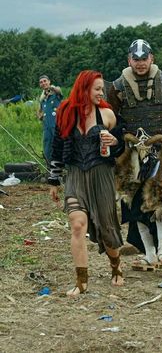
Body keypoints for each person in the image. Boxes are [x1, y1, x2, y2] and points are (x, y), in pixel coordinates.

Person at [107, 39, 162, 270]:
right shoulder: (117, 86)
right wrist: (110, 147)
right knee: (136, 205)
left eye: (144, 59)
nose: (140, 63)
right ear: (129, 60)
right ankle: (149, 254)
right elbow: (109, 119)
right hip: (131, 153)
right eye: (136, 59)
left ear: (151, 58)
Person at [48, 70, 125, 298]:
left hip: (101, 176)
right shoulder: (65, 111)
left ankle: (116, 265)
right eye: (98, 89)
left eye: (102, 89)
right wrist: (54, 180)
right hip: (75, 176)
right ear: (84, 88)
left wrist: (115, 141)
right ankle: (81, 282)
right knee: (77, 224)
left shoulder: (106, 114)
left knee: (107, 230)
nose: (101, 93)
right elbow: (57, 148)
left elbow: (120, 145)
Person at [37, 75, 63, 165]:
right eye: (41, 82)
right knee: (47, 146)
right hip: (46, 126)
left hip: (57, 124)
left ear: (49, 81)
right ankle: (49, 166)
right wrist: (39, 116)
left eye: (45, 81)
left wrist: (53, 88)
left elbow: (59, 90)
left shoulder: (55, 93)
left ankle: (64, 167)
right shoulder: (42, 97)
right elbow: (39, 111)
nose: (43, 83)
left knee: (59, 145)